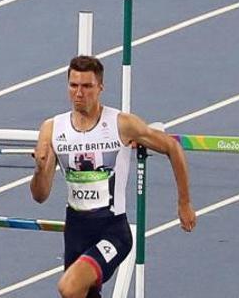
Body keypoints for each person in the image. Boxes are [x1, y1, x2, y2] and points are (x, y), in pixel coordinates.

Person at [31, 55, 196, 298]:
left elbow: (173, 148)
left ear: (100, 88)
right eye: (73, 85)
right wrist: (39, 169)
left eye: (87, 86)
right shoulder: (52, 129)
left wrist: (184, 203)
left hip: (112, 230)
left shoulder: (121, 124)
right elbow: (40, 196)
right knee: (81, 293)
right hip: (75, 229)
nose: (79, 93)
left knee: (69, 286)